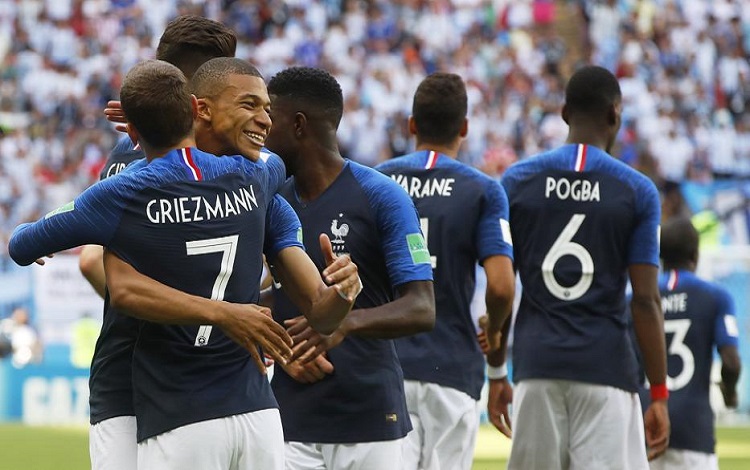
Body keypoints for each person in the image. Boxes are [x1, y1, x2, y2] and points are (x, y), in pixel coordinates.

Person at [9, 59, 360, 470]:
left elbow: (25, 245)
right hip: (255, 412)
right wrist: (342, 295)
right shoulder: (259, 178)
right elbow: (274, 162)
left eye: (265, 108)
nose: (263, 120)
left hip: (175, 412)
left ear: (134, 132)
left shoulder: (123, 190)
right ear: (198, 108)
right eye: (250, 105)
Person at [74, 15, 240, 470]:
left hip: (122, 374)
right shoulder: (231, 161)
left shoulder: (128, 149)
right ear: (200, 93)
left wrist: (143, 303)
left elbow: (91, 260)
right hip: (212, 378)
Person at [263, 66, 436, 470]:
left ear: (298, 125)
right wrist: (277, 343)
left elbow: (422, 307)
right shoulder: (272, 199)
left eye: (270, 119)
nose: (262, 129)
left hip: (369, 418)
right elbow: (279, 296)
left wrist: (345, 322)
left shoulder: (382, 196)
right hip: (290, 419)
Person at [499, 65, 670, 469]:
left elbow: (501, 287)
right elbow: (645, 301)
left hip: (536, 363)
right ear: (615, 114)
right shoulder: (637, 190)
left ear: (563, 114)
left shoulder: (517, 182)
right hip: (605, 365)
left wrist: (494, 372)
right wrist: (659, 394)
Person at [375, 72, 515, 469]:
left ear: (412, 125)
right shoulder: (483, 190)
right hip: (452, 366)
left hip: (387, 366)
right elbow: (502, 288)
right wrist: (495, 327)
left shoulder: (377, 179)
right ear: (465, 128)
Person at [641, 217, 741, 470]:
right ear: (695, 255)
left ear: (660, 254)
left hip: (643, 425)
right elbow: (730, 361)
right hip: (693, 429)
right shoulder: (715, 296)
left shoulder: (638, 297)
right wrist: (729, 393)